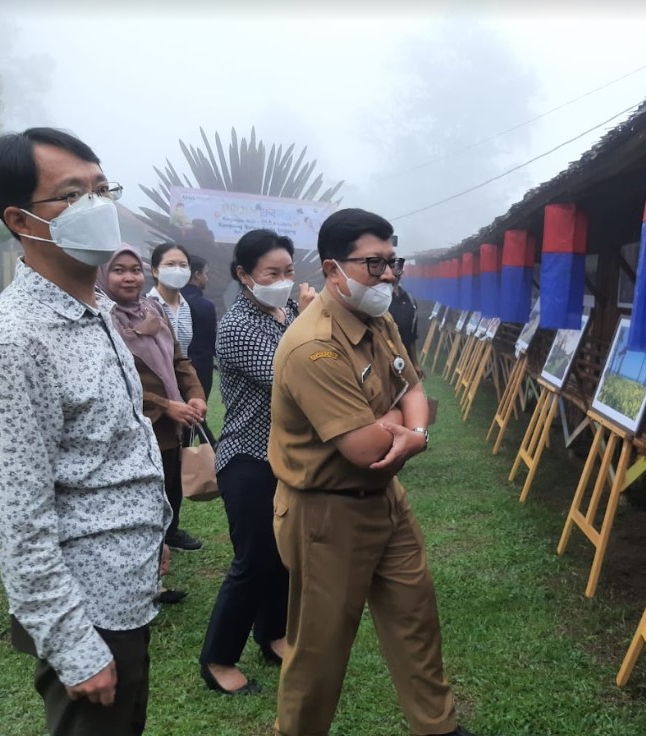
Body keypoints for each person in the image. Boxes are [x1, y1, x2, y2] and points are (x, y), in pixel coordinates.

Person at [0, 127, 172, 736]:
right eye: (73, 194)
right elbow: (18, 517)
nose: (97, 207)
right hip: (87, 611)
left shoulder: (95, 310)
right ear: (20, 220)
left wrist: (150, 532)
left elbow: (111, 450)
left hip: (125, 585)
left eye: (102, 189)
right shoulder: (16, 342)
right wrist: (73, 646)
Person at [269, 208, 478, 736]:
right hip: (326, 515)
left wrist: (413, 431)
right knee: (319, 650)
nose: (388, 275)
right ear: (332, 269)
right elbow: (364, 448)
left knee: (416, 621)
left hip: (387, 501)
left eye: (393, 261)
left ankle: (438, 728)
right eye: (374, 264)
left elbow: (414, 388)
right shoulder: (314, 346)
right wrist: (407, 428)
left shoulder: (378, 319)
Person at [200, 229, 316, 695]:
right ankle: (217, 659)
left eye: (289, 271)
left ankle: (272, 634)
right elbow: (292, 378)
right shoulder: (237, 327)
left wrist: (305, 319)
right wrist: (312, 323)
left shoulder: (289, 313)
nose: (284, 280)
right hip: (248, 459)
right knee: (254, 560)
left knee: (284, 556)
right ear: (244, 275)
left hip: (287, 456)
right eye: (272, 273)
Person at [97, 245, 208, 561]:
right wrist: (164, 404)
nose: (129, 278)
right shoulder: (100, 320)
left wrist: (195, 394)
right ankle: (146, 565)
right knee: (140, 501)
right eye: (119, 270)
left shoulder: (153, 310)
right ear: (102, 274)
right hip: (135, 430)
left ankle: (163, 548)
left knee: (169, 489)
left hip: (172, 427)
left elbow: (179, 360)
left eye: (135, 270)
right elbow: (112, 383)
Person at [181, 255, 218, 444]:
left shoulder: (174, 300)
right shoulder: (204, 306)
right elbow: (211, 341)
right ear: (196, 275)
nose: (207, 278)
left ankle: (211, 445)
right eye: (206, 274)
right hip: (201, 367)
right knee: (196, 412)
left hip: (175, 367)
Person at [147, 242, 194, 358]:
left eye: (183, 265)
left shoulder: (188, 307)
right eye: (170, 264)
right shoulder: (145, 306)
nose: (177, 270)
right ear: (155, 271)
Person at [389, 272, 422, 376]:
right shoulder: (379, 299)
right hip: (386, 359)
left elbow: (411, 335)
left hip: (405, 359)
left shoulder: (409, 299)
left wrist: (415, 363)